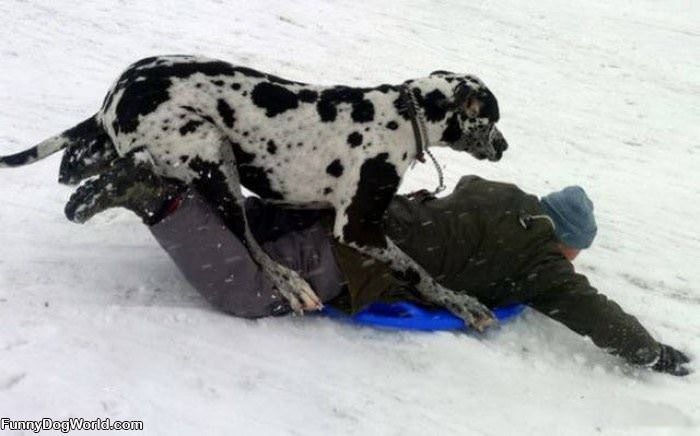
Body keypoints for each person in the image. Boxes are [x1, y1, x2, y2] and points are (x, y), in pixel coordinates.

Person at [65, 158, 692, 376]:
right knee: (253, 293)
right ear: (567, 244)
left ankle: (175, 176)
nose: (574, 265)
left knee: (254, 221)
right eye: (577, 254)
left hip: (357, 209)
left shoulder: (496, 194)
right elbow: (591, 311)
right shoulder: (539, 261)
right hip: (353, 253)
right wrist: (651, 353)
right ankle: (160, 199)